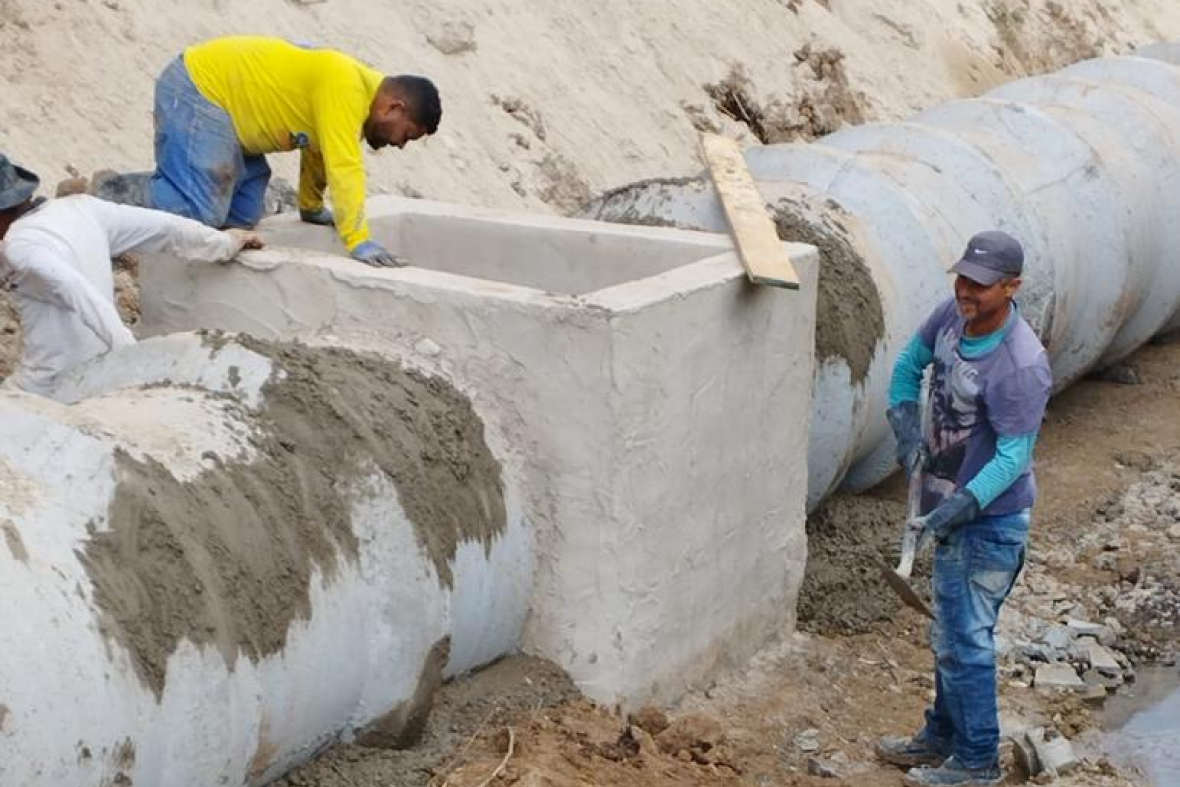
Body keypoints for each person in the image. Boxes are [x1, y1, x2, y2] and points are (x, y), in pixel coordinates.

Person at [878, 230, 1053, 786]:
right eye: (961, 278)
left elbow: (1013, 455)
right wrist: (906, 430)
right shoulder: (950, 319)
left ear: (1011, 286)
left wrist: (961, 507)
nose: (966, 290)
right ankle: (940, 736)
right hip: (949, 513)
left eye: (980, 284)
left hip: (991, 523)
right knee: (951, 633)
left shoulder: (1020, 364)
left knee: (965, 641)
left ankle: (977, 762)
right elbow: (908, 366)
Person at [89, 36, 441, 267]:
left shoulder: (351, 95)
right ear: (394, 108)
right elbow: (344, 165)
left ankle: (137, 213)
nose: (398, 143)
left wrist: (311, 207)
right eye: (406, 134)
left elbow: (318, 154)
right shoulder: (346, 86)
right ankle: (104, 194)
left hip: (235, 123)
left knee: (241, 218)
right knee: (200, 210)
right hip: (201, 89)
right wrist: (358, 241)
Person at [0, 153, 262, 395]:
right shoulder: (83, 208)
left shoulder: (20, 247)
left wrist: (129, 356)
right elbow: (166, 228)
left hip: (49, 387)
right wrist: (223, 244)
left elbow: (77, 290)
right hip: (101, 367)